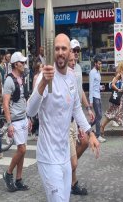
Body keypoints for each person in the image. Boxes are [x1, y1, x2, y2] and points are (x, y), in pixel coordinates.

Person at [27, 33, 100, 202]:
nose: (60, 52)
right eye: (57, 48)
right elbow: (30, 111)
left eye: (64, 48)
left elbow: (76, 109)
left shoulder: (72, 78)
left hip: (64, 155)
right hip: (48, 156)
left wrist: (91, 133)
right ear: (53, 52)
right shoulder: (44, 76)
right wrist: (44, 83)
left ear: (70, 53)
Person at [68, 39, 95, 196]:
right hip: (68, 118)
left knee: (84, 142)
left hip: (76, 113)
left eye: (78, 50)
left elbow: (80, 91)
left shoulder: (77, 67)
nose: (77, 53)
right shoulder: (65, 69)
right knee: (80, 145)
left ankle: (69, 170)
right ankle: (72, 181)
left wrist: (88, 108)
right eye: (74, 50)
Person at [2, 51, 31, 192]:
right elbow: (5, 104)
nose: (24, 65)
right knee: (22, 149)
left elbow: (23, 100)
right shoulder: (9, 80)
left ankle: (19, 179)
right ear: (15, 64)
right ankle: (8, 174)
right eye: (22, 62)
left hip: (23, 118)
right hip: (15, 120)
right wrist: (9, 124)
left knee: (23, 151)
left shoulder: (21, 78)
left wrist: (28, 117)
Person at [100, 62, 123, 137]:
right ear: (121, 67)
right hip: (118, 99)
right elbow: (112, 84)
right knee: (112, 114)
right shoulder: (119, 75)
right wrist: (118, 89)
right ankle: (102, 126)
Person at [89, 56, 105, 143]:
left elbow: (96, 85)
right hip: (95, 96)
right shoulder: (92, 73)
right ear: (95, 63)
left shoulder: (98, 72)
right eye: (99, 63)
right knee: (98, 115)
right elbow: (91, 87)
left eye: (101, 63)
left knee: (99, 115)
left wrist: (100, 87)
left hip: (98, 95)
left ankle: (87, 126)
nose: (100, 65)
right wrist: (90, 101)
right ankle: (98, 135)